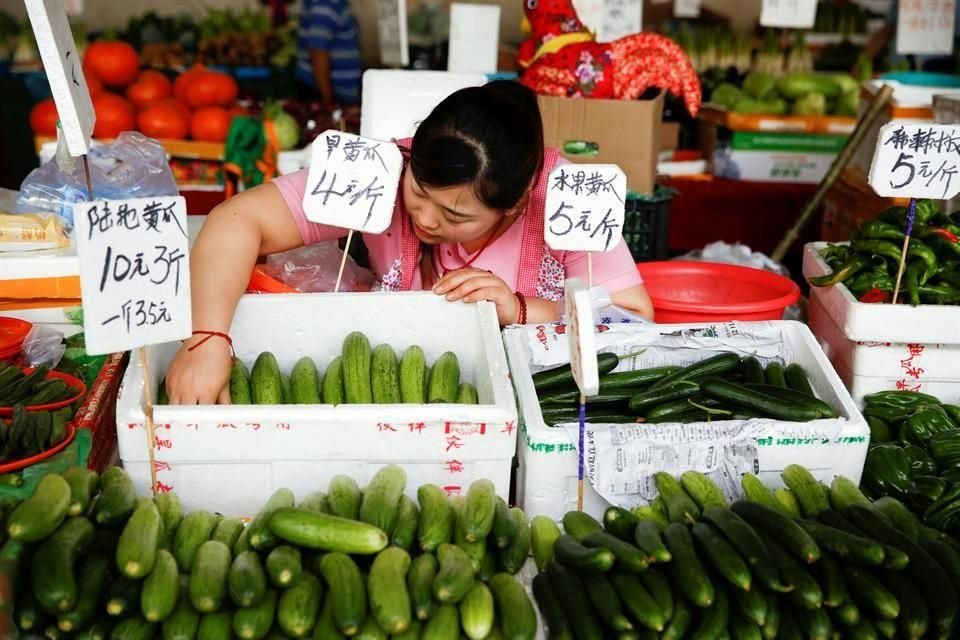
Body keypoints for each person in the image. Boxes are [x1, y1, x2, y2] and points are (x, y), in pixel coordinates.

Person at [165, 81, 653, 405]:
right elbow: (235, 219)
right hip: (395, 386)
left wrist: (520, 309)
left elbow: (633, 321)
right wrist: (207, 338)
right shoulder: (380, 170)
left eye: (455, 215)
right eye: (419, 189)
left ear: (515, 203)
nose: (423, 217)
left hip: (533, 405)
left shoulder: (563, 198)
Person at [296, 0, 362, 105]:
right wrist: (328, 103)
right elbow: (318, 53)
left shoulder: (334, 4)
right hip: (324, 98)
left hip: (337, 99)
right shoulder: (326, 4)